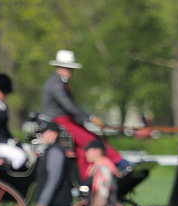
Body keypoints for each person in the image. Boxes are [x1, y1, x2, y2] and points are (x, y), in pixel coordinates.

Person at [41, 50, 131, 178]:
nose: (71, 71)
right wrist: (91, 118)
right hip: (61, 122)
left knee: (83, 150)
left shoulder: (60, 82)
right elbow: (69, 106)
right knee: (93, 141)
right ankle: (121, 163)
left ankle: (87, 178)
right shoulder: (56, 84)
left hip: (67, 120)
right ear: (60, 67)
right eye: (69, 68)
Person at [0, 73, 29, 170]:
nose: (5, 95)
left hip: (2, 142)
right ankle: (11, 178)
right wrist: (7, 141)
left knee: (28, 149)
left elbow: (4, 130)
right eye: (3, 92)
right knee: (20, 156)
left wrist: (13, 139)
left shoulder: (2, 106)